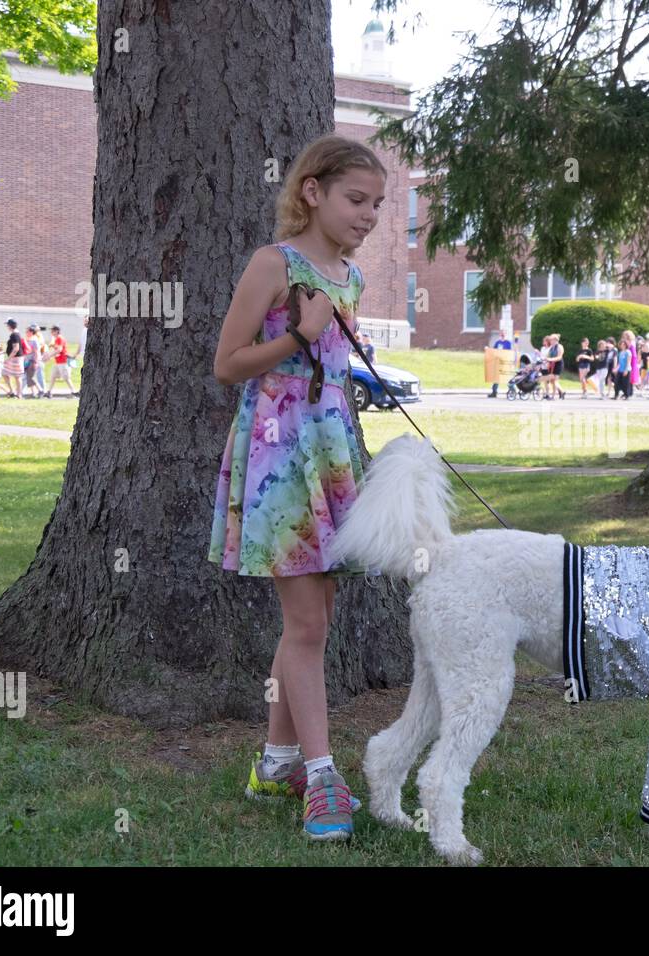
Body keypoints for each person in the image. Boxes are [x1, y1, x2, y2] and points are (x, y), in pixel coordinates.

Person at [209, 134, 385, 842]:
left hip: (333, 453)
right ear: (311, 191)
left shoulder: (352, 276)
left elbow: (338, 374)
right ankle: (322, 779)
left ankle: (277, 761)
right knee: (309, 625)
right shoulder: (273, 263)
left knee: (309, 624)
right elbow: (228, 363)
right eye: (355, 199)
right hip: (278, 457)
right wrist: (299, 334)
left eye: (377, 204)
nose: (369, 215)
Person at [45, 324, 76, 397]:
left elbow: (59, 349)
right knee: (53, 376)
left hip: (63, 361)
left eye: (53, 330)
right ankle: (49, 392)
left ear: (57, 331)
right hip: (58, 361)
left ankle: (73, 392)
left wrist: (49, 355)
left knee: (66, 377)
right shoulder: (56, 339)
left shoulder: (59, 338)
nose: (51, 332)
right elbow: (56, 348)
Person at [1, 318, 25, 399]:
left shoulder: (14, 335)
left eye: (7, 325)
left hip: (15, 359)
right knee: (5, 373)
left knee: (17, 377)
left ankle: (19, 394)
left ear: (10, 326)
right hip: (15, 358)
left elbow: (16, 349)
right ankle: (12, 392)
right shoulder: (15, 334)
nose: (7, 327)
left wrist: (8, 358)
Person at [22, 324, 46, 398]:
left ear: (31, 332)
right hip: (27, 361)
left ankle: (41, 390)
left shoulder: (34, 340)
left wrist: (35, 362)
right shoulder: (28, 339)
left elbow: (36, 352)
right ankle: (33, 393)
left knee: (31, 377)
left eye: (27, 331)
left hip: (33, 361)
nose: (26, 333)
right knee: (29, 377)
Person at [486, 331, 512, 397]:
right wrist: (488, 350)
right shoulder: (498, 342)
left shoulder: (508, 343)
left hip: (505, 362)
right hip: (498, 362)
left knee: (507, 377)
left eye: (504, 333)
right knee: (496, 378)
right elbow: (494, 351)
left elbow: (509, 352)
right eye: (502, 333)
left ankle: (512, 390)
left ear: (506, 334)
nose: (503, 334)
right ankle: (494, 392)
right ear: (500, 334)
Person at [544, 332, 565, 400]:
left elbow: (559, 357)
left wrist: (550, 359)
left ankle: (553, 396)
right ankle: (562, 392)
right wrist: (546, 360)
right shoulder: (551, 348)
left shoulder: (560, 347)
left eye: (551, 340)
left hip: (558, 364)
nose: (550, 341)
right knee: (552, 380)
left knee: (555, 380)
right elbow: (547, 356)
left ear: (555, 340)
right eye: (550, 340)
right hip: (552, 365)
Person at [615, 333, 634, 399]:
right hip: (620, 369)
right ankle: (616, 395)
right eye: (621, 344)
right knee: (616, 382)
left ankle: (626, 395)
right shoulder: (620, 353)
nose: (622, 345)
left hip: (626, 370)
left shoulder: (628, 352)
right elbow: (619, 362)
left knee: (626, 383)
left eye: (623, 344)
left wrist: (626, 370)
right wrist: (616, 368)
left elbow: (628, 362)